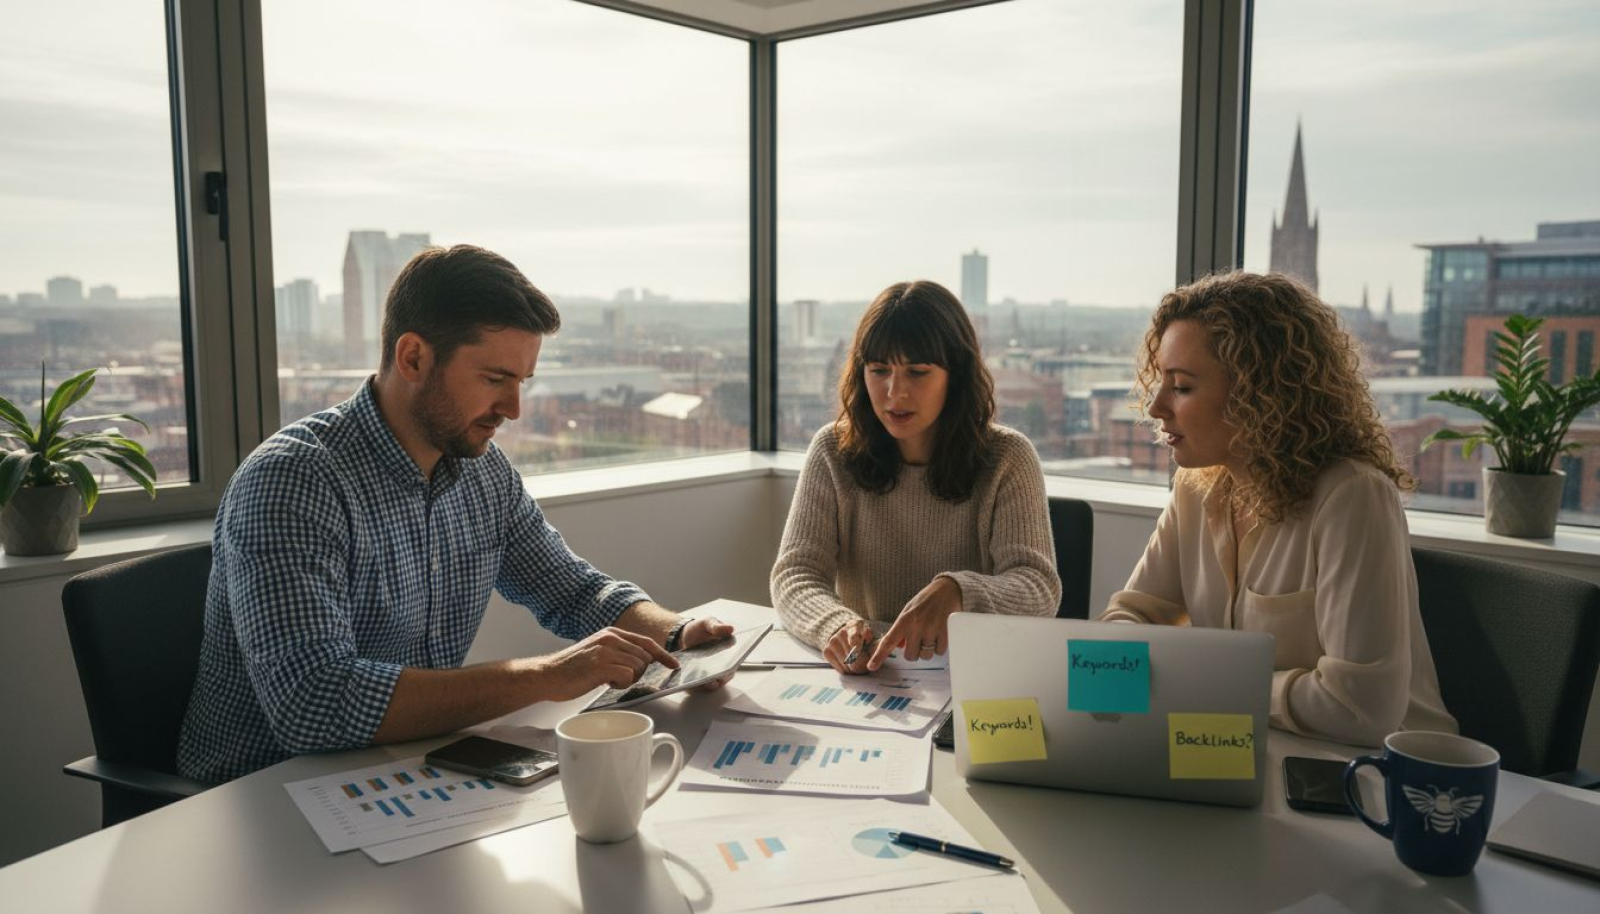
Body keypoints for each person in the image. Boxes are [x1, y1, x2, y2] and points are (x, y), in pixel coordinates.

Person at [178, 245, 731, 784]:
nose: (513, 409)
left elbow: (574, 592)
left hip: (407, 775)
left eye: (521, 382)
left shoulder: (481, 472)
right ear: (413, 357)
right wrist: (547, 675)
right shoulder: (293, 482)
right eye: (494, 379)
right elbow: (316, 703)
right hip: (257, 799)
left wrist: (677, 632)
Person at [1101, 271, 1456, 747]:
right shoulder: (1195, 486)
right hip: (1239, 747)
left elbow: (1361, 708)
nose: (1156, 407)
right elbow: (1134, 614)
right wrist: (1113, 674)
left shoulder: (1353, 496)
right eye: (1160, 383)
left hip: (1381, 779)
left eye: (1182, 387)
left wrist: (1202, 679)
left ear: (1258, 393)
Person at [771, 280, 1061, 675]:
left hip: (973, 679)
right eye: (878, 370)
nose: (895, 392)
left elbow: (1039, 588)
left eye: (917, 372)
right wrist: (835, 625)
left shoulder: (1008, 457)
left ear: (955, 376)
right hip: (869, 677)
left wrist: (960, 591)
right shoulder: (831, 451)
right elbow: (795, 573)